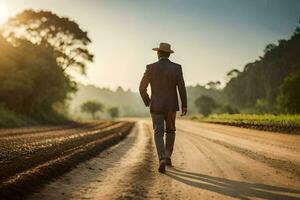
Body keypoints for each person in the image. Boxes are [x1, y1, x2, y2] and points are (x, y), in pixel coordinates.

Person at [139, 42, 187, 173]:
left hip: (156, 105)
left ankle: (161, 159)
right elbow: (181, 87)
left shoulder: (150, 67)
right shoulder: (177, 68)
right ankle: (167, 156)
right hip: (171, 105)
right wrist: (184, 105)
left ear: (158, 53)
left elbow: (142, 88)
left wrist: (148, 101)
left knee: (158, 132)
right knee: (170, 131)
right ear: (169, 54)